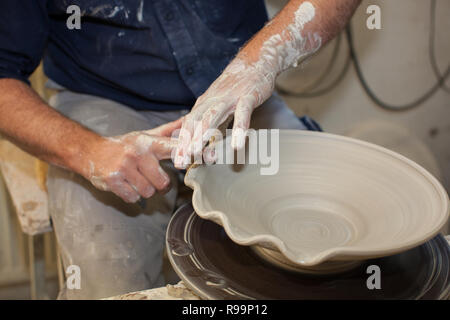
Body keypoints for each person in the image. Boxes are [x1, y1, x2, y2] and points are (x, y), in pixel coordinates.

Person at [0, 0, 360, 299]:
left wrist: (261, 62)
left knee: (323, 251)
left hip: (238, 88)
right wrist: (88, 151)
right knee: (107, 280)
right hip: (103, 102)